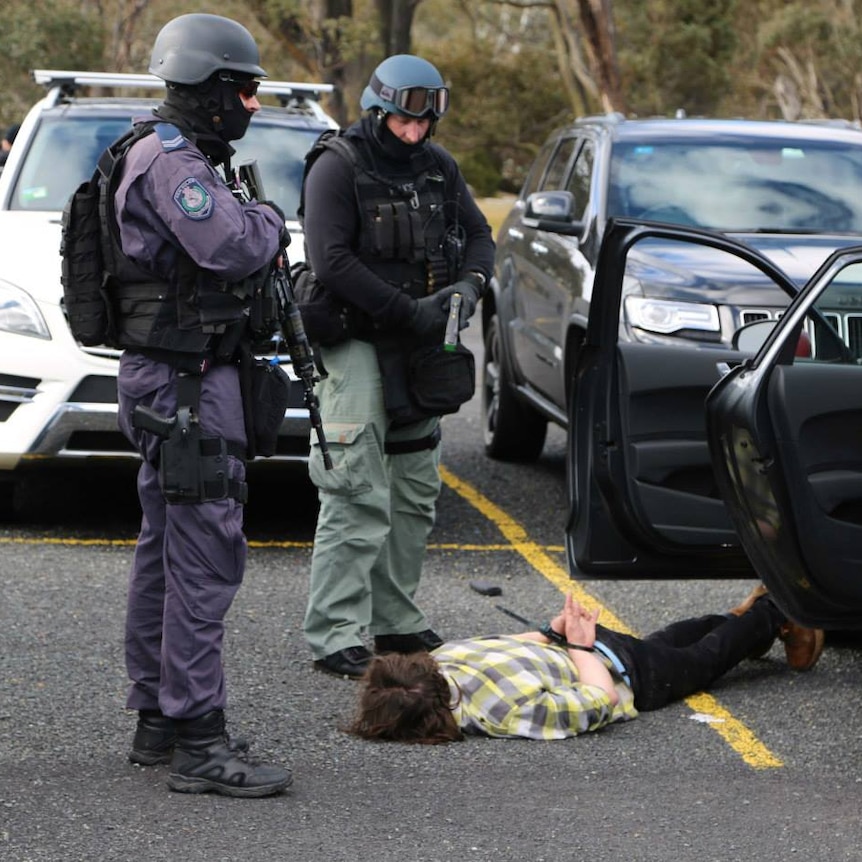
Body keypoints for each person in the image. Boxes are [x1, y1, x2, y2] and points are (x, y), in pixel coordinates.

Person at [111, 13, 292, 797]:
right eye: (243, 89)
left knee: (166, 550)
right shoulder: (171, 160)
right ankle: (198, 739)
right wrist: (270, 219)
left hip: (174, 377)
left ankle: (160, 718)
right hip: (185, 386)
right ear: (209, 87)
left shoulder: (167, 151)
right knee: (203, 559)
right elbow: (233, 246)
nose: (251, 104)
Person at [300, 54, 496, 679]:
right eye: (403, 121)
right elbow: (330, 261)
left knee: (414, 492)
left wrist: (469, 287)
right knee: (357, 489)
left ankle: (396, 621)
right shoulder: (338, 165)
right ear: (378, 110)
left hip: (419, 351)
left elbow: (480, 235)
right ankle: (336, 631)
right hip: (357, 342)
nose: (414, 133)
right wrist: (411, 313)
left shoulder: (438, 166)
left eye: (424, 123)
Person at [347, 586, 825, 743]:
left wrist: (579, 646)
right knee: (677, 638)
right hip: (584, 644)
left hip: (611, 665)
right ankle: (746, 619)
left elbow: (602, 697)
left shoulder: (505, 714)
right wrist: (557, 632)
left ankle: (777, 612)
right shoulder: (443, 657)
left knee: (702, 659)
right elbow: (514, 640)